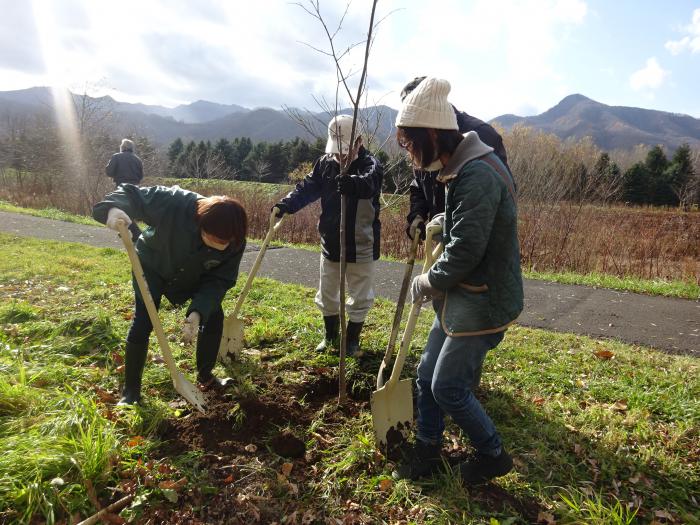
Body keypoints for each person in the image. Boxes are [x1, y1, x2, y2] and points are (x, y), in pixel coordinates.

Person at [392, 78, 523, 485]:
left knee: (448, 386)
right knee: (426, 377)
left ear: (432, 134)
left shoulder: (476, 172)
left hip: (484, 296)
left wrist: (429, 280)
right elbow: (473, 218)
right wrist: (444, 219)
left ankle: (493, 454)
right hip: (463, 294)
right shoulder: (459, 165)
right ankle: (427, 449)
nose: (411, 155)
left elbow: (467, 251)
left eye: (412, 145)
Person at [92, 184, 247, 405]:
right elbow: (132, 195)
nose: (218, 245)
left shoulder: (236, 242)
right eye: (211, 238)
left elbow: (219, 280)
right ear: (200, 222)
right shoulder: (175, 203)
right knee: (143, 320)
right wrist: (113, 209)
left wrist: (198, 312)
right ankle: (131, 391)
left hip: (194, 276)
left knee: (213, 316)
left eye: (223, 243)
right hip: (152, 267)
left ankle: (206, 377)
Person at [273, 115, 383, 356]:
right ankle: (330, 336)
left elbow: (369, 184)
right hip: (331, 241)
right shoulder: (324, 163)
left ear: (359, 142)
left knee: (360, 296)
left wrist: (351, 183)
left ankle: (352, 341)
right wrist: (286, 205)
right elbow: (307, 188)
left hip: (361, 243)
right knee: (327, 293)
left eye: (345, 151)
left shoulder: (371, 165)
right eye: (337, 151)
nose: (340, 157)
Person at [400, 76, 510, 241]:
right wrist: (417, 213)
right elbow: (419, 182)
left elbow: (499, 194)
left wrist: (457, 223)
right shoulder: (422, 141)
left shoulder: (481, 134)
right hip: (444, 235)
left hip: (478, 242)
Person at [105, 139, 145, 242]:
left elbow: (109, 172)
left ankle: (136, 232)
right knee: (127, 209)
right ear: (132, 148)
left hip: (121, 186)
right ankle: (125, 230)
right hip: (135, 188)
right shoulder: (138, 160)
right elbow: (141, 176)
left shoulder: (116, 157)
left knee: (120, 208)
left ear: (122, 147)